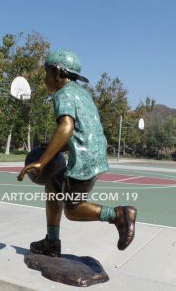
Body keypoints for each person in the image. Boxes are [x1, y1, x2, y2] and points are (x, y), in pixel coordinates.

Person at [17, 49, 137, 257]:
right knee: (54, 186)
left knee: (73, 208)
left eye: (46, 73)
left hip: (84, 161)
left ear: (56, 72)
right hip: (94, 154)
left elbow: (66, 127)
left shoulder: (63, 94)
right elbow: (82, 133)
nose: (45, 79)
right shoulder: (82, 93)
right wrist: (55, 146)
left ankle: (119, 214)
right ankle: (52, 242)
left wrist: (41, 162)